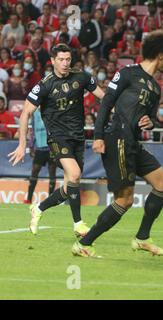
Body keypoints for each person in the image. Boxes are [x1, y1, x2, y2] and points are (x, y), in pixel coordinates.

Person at [72, 31, 163, 257]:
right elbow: (107, 103)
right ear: (160, 56)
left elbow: (150, 117)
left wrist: (150, 122)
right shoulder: (127, 73)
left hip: (133, 142)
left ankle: (142, 238)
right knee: (125, 200)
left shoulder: (155, 88)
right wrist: (98, 135)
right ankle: (84, 244)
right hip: (117, 138)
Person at [8, 43, 105, 237]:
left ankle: (39, 208)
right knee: (75, 174)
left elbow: (104, 97)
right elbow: (26, 112)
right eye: (61, 59)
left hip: (77, 138)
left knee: (70, 186)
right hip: (57, 138)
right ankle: (78, 224)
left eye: (68, 59)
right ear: (52, 61)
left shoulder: (82, 77)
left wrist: (121, 110)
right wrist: (22, 144)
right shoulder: (45, 85)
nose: (65, 63)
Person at [24, 109, 57, 204]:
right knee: (34, 171)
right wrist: (31, 145)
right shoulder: (35, 113)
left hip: (51, 147)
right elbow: (33, 130)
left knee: (52, 173)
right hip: (39, 148)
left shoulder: (52, 111)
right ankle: (29, 199)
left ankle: (50, 199)